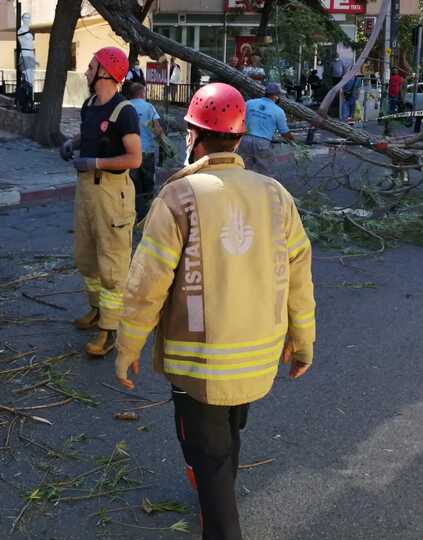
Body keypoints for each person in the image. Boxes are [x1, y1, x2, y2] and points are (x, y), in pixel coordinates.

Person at [115, 82, 316, 540]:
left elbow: (147, 284)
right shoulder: (274, 195)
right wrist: (303, 341)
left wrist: (128, 345)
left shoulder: (180, 196)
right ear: (239, 138)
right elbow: (300, 274)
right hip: (254, 359)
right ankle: (218, 486)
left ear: (192, 134)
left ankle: (220, 516)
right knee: (227, 436)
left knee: (207, 456)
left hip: (198, 365)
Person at [58, 47, 141, 357]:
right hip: (86, 192)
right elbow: (88, 134)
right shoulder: (90, 105)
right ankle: (96, 309)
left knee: (112, 265)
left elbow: (134, 158)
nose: (87, 70)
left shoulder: (125, 111)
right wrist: (72, 143)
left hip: (112, 192)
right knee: (86, 257)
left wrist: (95, 163)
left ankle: (109, 330)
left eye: (91, 65)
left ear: (105, 72)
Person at [127, 82, 164, 221]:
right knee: (148, 184)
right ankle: (146, 216)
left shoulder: (126, 106)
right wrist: (163, 145)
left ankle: (133, 212)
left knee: (133, 184)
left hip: (129, 153)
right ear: (142, 93)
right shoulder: (149, 107)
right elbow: (158, 129)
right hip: (147, 151)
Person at [238, 82, 294, 175]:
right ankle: (262, 188)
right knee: (264, 172)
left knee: (244, 170)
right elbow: (284, 132)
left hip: (245, 140)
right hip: (262, 144)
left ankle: (244, 188)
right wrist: (293, 140)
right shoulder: (278, 111)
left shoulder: (250, 103)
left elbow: (239, 117)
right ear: (276, 96)